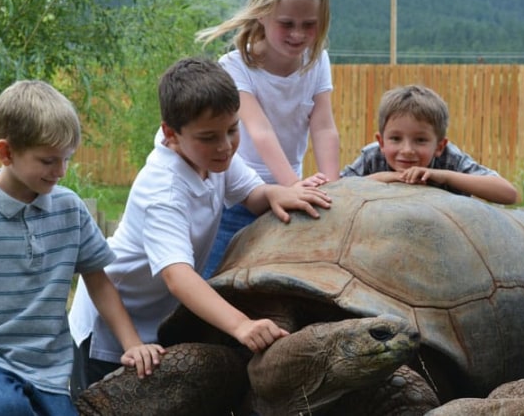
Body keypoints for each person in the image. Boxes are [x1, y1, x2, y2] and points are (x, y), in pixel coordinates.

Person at [68, 56, 332, 390]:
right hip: (113, 327)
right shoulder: (163, 190)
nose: (225, 146)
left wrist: (276, 193)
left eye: (233, 130)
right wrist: (241, 325)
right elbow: (178, 277)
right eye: (209, 137)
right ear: (171, 134)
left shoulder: (209, 157)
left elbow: (250, 193)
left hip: (156, 319)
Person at [0, 81, 164, 416]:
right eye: (49, 160)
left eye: (66, 159)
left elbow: (98, 280)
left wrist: (132, 343)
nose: (61, 171)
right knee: (7, 409)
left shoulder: (70, 208)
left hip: (48, 368)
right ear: (6, 153)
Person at [196, 0, 340, 278]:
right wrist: (291, 184)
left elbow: (324, 126)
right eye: (286, 24)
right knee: (215, 279)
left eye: (309, 25)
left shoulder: (317, 62)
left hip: (292, 198)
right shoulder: (235, 68)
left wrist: (332, 186)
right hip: (240, 198)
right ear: (261, 14)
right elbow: (259, 130)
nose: (298, 34)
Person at [340, 84, 518, 204]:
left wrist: (442, 176)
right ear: (381, 142)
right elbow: (336, 189)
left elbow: (508, 194)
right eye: (395, 138)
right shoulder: (373, 156)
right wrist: (385, 178)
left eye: (420, 140)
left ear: (440, 146)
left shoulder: (451, 159)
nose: (407, 150)